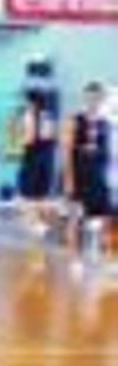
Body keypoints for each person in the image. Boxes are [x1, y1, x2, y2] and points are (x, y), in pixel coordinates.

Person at [63, 82, 113, 265]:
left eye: (98, 97)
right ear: (85, 98)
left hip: (99, 177)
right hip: (80, 175)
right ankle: (74, 261)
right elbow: (67, 151)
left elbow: (107, 153)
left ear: (102, 99)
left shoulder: (106, 123)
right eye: (91, 97)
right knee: (75, 218)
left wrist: (108, 175)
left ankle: (107, 264)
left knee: (106, 219)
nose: (94, 101)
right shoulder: (74, 120)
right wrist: (69, 179)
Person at [15, 86, 59, 238]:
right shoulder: (49, 115)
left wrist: (19, 140)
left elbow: (29, 139)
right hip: (47, 159)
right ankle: (41, 227)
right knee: (41, 197)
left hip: (33, 158)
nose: (24, 103)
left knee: (25, 198)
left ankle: (38, 228)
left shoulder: (29, 115)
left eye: (26, 101)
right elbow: (51, 138)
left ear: (32, 102)